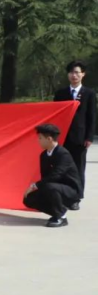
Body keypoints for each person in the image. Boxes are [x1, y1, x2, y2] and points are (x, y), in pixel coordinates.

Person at [53, 60, 95, 210]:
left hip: (80, 138)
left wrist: (89, 137)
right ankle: (63, 195)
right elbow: (55, 115)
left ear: (83, 74)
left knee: (78, 168)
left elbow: (91, 116)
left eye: (77, 72)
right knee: (61, 168)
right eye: (71, 72)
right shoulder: (61, 93)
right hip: (63, 137)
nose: (74, 75)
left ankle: (76, 198)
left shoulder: (89, 93)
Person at [23, 124, 82, 228]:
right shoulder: (43, 155)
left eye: (40, 138)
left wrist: (34, 185)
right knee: (29, 198)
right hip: (53, 188)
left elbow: (56, 175)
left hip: (70, 190)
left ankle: (61, 217)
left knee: (50, 187)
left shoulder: (63, 154)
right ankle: (58, 212)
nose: (38, 141)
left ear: (49, 139)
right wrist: (37, 190)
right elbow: (45, 177)